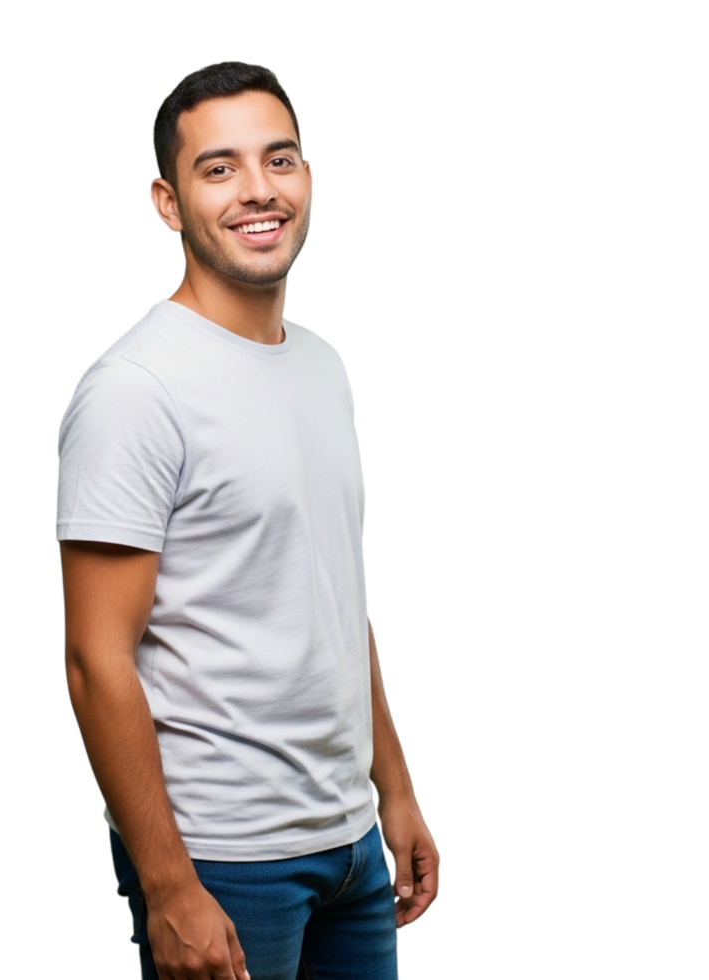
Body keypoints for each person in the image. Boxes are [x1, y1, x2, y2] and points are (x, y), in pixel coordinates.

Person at [55, 60, 440, 980]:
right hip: (225, 856)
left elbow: (339, 596)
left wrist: (395, 788)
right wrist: (169, 885)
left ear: (309, 178)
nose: (257, 190)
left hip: (352, 844)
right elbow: (93, 658)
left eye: (279, 160)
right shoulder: (134, 391)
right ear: (166, 202)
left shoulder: (323, 364)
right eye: (218, 168)